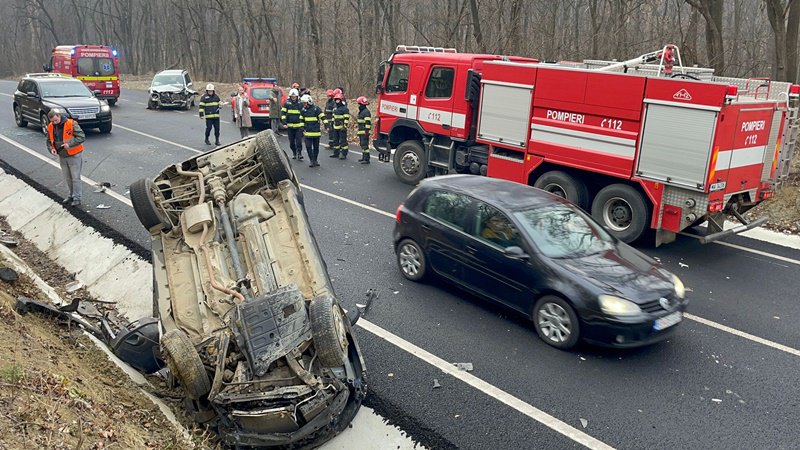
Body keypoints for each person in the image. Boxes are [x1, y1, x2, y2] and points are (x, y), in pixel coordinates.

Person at [46, 109, 85, 207]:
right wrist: (51, 149)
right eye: (52, 121)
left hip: (74, 154)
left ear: (59, 116)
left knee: (75, 177)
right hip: (62, 155)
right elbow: (49, 141)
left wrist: (70, 144)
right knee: (67, 177)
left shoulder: (71, 124)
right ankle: (71, 195)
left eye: (55, 120)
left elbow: (81, 137)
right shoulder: (51, 126)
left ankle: (77, 198)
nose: (54, 123)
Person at [300, 94, 325, 168]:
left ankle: (315, 160)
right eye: (303, 103)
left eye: (305, 103)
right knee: (308, 147)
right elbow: (301, 120)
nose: (303, 104)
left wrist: (327, 125)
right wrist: (302, 127)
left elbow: (322, 117)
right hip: (307, 132)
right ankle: (311, 160)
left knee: (316, 147)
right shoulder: (303, 110)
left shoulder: (316, 109)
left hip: (316, 132)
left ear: (309, 102)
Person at [281, 88, 304, 160]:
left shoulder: (300, 104)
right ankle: (294, 152)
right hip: (290, 126)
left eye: (295, 96)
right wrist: (284, 123)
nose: (293, 98)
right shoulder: (287, 104)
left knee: (298, 141)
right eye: (292, 96)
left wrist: (304, 125)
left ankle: (299, 153)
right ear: (290, 97)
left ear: (297, 96)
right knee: (291, 142)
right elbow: (283, 114)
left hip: (298, 126)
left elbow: (304, 114)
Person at [329, 92, 350, 159]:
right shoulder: (335, 109)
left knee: (343, 142)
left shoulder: (345, 109)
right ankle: (336, 153)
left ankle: (344, 154)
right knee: (335, 141)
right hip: (335, 127)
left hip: (342, 128)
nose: (337, 101)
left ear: (341, 100)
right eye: (336, 100)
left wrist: (344, 126)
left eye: (338, 100)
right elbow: (333, 117)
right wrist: (331, 124)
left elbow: (346, 118)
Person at [355, 96, 372, 164]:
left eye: (359, 104)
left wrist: (367, 131)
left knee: (365, 145)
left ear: (362, 104)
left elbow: (368, 123)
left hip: (364, 132)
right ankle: (363, 157)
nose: (358, 105)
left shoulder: (366, 112)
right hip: (361, 131)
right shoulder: (362, 111)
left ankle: (367, 159)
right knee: (362, 145)